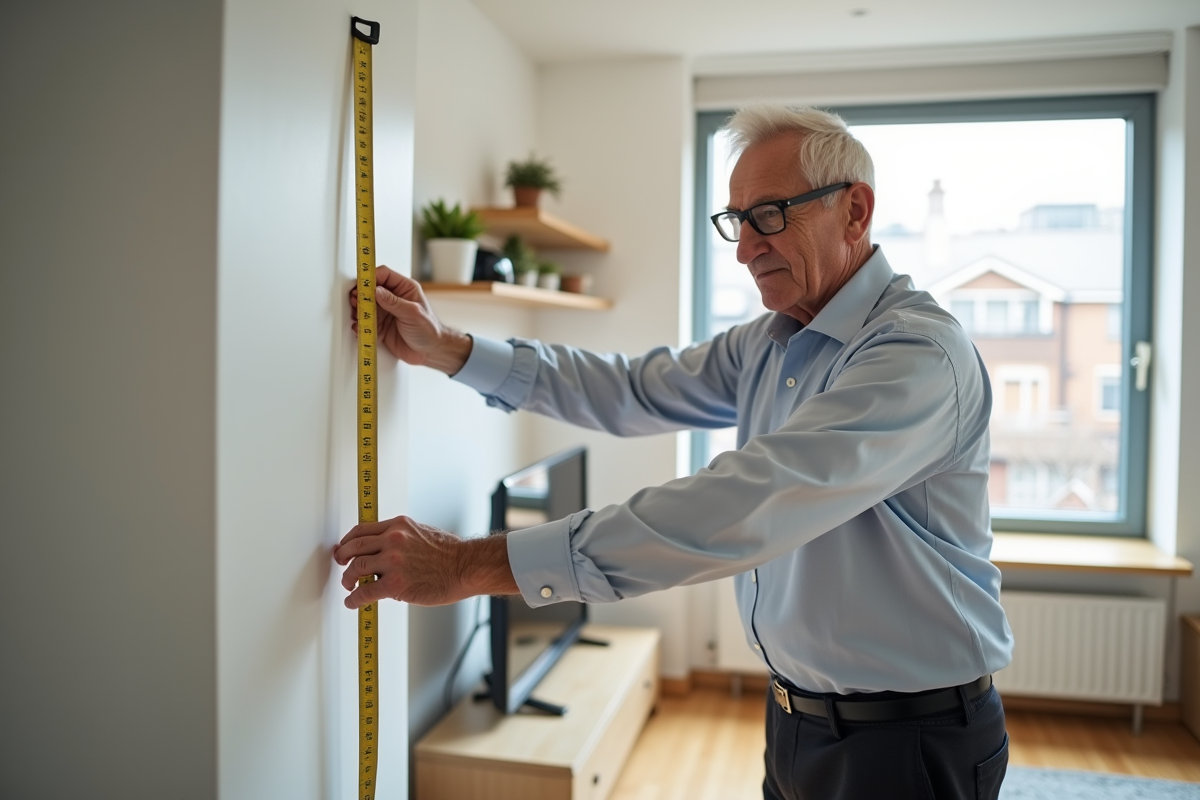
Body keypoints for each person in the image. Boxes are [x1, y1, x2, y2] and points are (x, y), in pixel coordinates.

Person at [335, 105, 1014, 800]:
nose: (747, 248)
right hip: (796, 722)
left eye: (771, 215)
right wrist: (450, 349)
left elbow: (747, 500)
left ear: (855, 211)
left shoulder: (915, 355)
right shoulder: (769, 341)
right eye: (736, 220)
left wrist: (469, 566)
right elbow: (630, 390)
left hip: (907, 743)